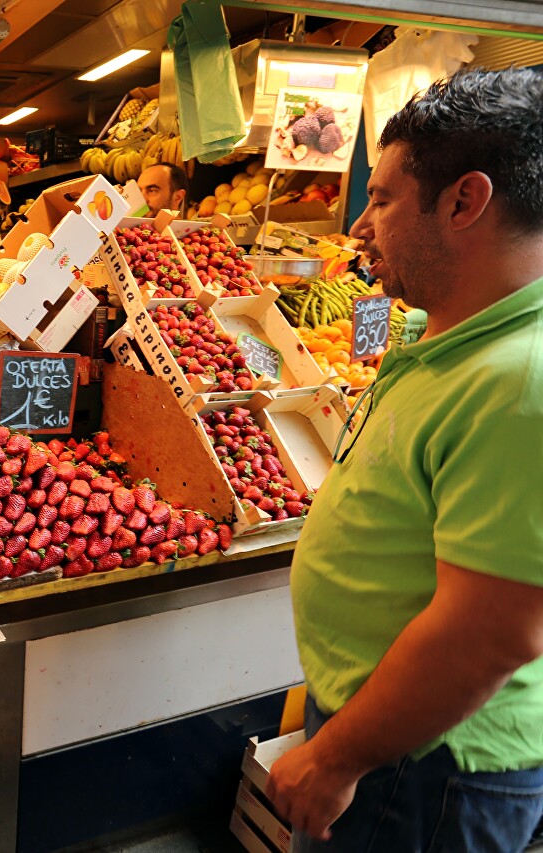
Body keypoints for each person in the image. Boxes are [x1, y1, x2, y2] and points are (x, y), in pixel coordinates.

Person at [266, 68, 543, 852]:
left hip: (429, 768)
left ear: (464, 202)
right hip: (391, 736)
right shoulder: (455, 334)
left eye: (383, 199)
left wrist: (335, 756)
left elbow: (489, 634)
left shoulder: (522, 382)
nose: (359, 225)